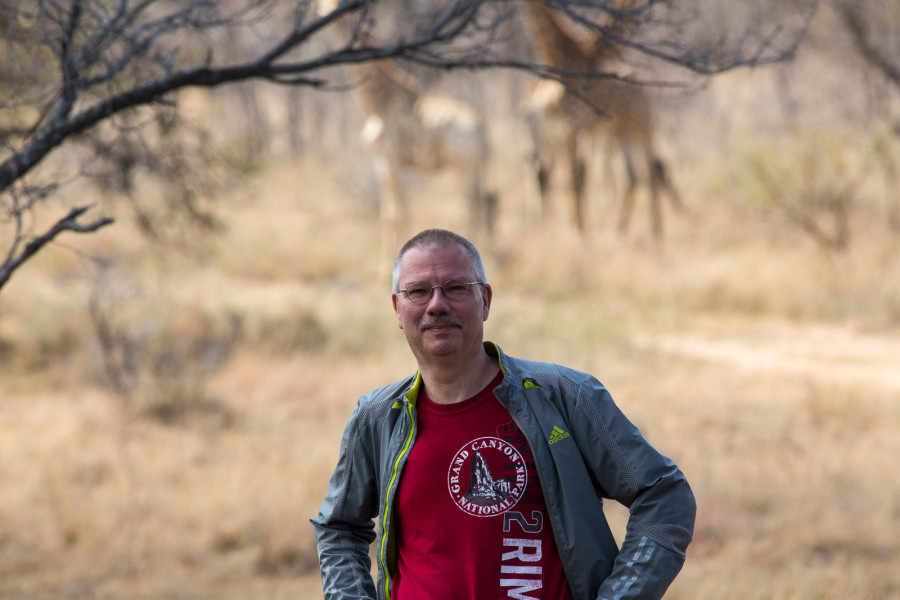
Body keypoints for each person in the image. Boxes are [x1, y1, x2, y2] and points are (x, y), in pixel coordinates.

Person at [311, 228, 696, 600]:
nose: (437, 304)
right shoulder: (378, 418)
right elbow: (339, 528)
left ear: (486, 300)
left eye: (457, 287)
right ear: (397, 309)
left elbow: (664, 495)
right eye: (418, 291)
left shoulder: (563, 397)